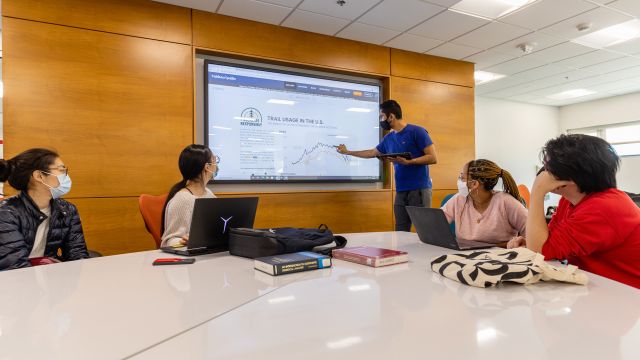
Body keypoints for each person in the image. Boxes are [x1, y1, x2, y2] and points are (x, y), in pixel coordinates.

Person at [507, 134, 640, 288]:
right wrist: (529, 241)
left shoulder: (604, 208)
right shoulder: (569, 201)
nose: (544, 172)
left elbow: (539, 251)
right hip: (597, 288)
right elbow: (547, 243)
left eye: (549, 167)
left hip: (628, 296)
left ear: (570, 176)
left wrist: (537, 190)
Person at [337, 100, 437, 231]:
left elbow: (433, 157)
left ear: (391, 116)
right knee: (401, 231)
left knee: (424, 231)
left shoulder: (417, 131)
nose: (381, 120)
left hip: (419, 190)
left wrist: (409, 162)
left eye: (381, 116)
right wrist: (348, 152)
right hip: (401, 191)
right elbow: (372, 152)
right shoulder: (388, 138)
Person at [0, 148, 88, 270]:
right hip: (16, 282)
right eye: (61, 170)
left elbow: (78, 255)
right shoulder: (6, 213)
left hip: (50, 278)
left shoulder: (68, 210)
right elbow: (15, 267)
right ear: (39, 176)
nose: (66, 175)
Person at [442, 159, 527, 245]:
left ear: (474, 184)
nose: (459, 180)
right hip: (465, 255)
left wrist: (518, 243)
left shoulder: (505, 202)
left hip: (500, 256)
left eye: (462, 177)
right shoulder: (458, 199)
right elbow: (436, 222)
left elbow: (532, 230)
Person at [161, 144, 219, 248]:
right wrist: (187, 242)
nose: (216, 165)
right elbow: (168, 242)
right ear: (207, 167)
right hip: (191, 260)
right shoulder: (182, 200)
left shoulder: (208, 193)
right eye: (215, 161)